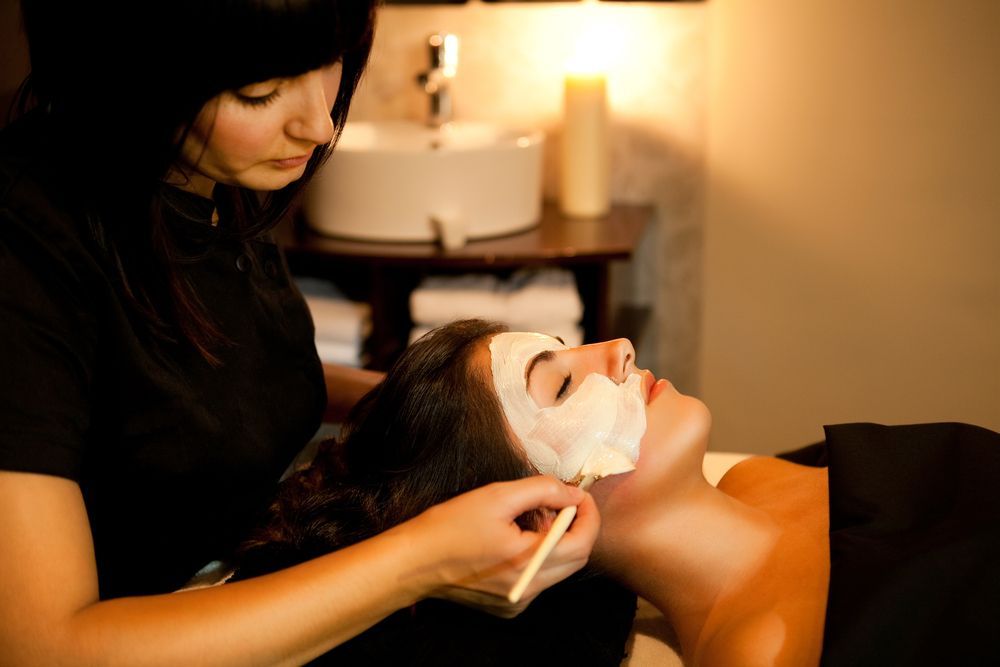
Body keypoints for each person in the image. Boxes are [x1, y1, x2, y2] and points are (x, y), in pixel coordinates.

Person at [0, 3, 599, 664]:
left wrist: (447, 404)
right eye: (258, 92)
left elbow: (213, 381)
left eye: (327, 62)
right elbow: (42, 646)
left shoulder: (204, 180)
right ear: (128, 74)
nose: (318, 123)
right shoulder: (27, 245)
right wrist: (421, 558)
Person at [237, 319, 1000, 666]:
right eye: (563, 383)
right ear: (538, 513)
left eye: (571, 350)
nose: (620, 347)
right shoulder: (766, 650)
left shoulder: (761, 474)